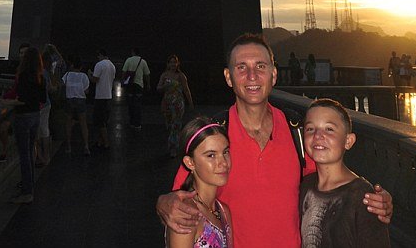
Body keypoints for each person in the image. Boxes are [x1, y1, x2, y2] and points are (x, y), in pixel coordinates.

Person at [158, 32, 392, 248]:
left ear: (274, 74)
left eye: (260, 66)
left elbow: (332, 179)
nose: (252, 76)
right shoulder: (214, 138)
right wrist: (163, 203)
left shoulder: (297, 131)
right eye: (242, 67)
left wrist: (371, 197)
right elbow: (181, 200)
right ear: (228, 77)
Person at [300, 98, 390, 247]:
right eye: (310, 129)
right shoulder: (305, 185)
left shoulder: (363, 196)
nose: (317, 135)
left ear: (348, 141)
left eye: (329, 129)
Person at [166, 117, 233, 248]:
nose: (223, 163)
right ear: (190, 162)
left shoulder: (223, 211)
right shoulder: (185, 215)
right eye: (211, 155)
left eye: (225, 152)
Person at [9, 46, 47, 204]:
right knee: (30, 153)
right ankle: (29, 187)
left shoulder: (24, 75)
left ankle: (27, 192)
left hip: (23, 117)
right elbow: (43, 99)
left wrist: (4, 101)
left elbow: (21, 100)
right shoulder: (41, 77)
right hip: (35, 117)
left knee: (24, 155)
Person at [157, 54, 194, 156]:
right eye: (171, 62)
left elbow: (186, 90)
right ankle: (173, 143)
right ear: (168, 64)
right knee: (169, 125)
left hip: (178, 103)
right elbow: (158, 88)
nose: (173, 64)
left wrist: (190, 102)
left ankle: (174, 147)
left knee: (176, 125)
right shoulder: (164, 75)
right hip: (167, 102)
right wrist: (165, 86)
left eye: (175, 62)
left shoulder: (181, 76)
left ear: (178, 64)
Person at [88, 49, 117, 150]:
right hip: (108, 96)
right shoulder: (112, 66)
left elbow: (95, 80)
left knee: (99, 121)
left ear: (101, 55)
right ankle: (100, 142)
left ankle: (106, 143)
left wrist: (90, 74)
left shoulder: (99, 65)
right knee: (104, 121)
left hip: (100, 96)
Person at [62, 56, 90, 155]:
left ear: (72, 65)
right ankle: (86, 146)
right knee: (83, 123)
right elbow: (86, 91)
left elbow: (63, 84)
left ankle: (68, 146)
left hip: (69, 99)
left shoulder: (67, 74)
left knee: (68, 123)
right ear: (81, 67)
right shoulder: (84, 76)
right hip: (81, 100)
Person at [122, 49, 150, 130]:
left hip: (130, 85)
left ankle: (131, 122)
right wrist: (148, 84)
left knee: (130, 104)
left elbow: (124, 71)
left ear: (132, 52)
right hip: (139, 85)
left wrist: (123, 81)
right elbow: (147, 74)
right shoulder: (143, 61)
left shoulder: (128, 60)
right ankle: (137, 124)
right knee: (137, 105)